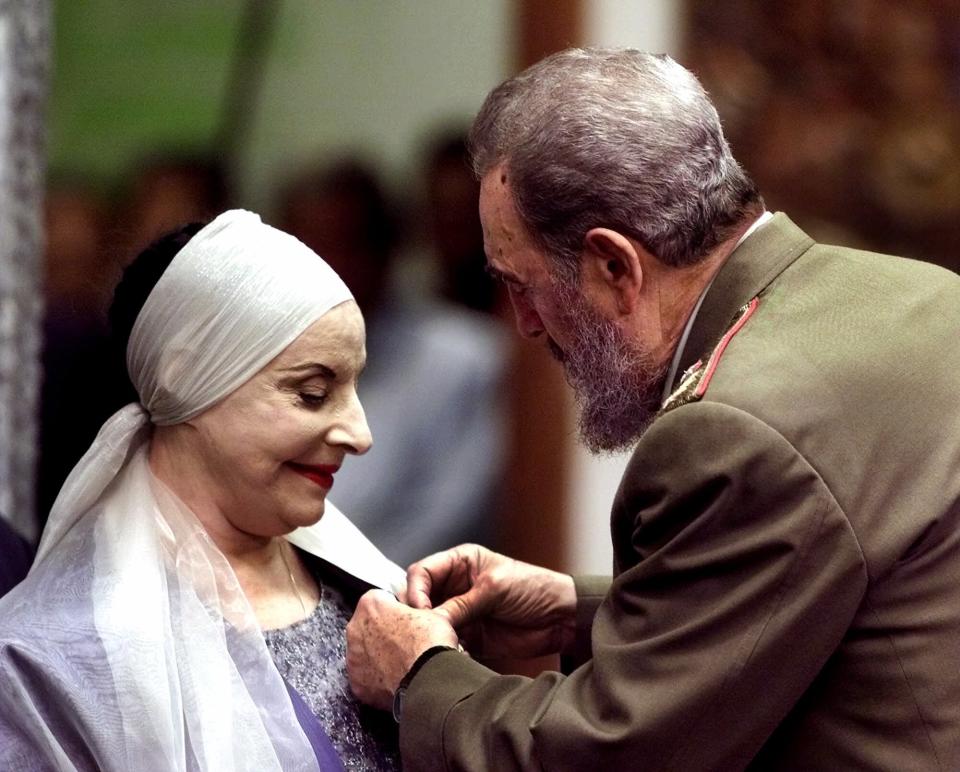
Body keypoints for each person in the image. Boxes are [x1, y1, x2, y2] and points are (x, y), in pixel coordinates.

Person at [345, 48, 960, 770]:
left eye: (522, 284)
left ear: (614, 266)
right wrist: (575, 609)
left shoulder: (730, 429)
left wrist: (421, 678)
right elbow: (824, 589)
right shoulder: (923, 294)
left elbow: (614, 753)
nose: (526, 325)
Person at [0, 210, 404, 770]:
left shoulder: (378, 601)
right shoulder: (56, 657)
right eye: (313, 393)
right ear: (184, 376)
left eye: (354, 386)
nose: (359, 434)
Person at [279, 160, 507, 566]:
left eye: (345, 242)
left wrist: (346, 583)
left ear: (386, 247)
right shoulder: (265, 366)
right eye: (308, 248)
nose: (328, 265)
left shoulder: (462, 356)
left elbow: (452, 513)